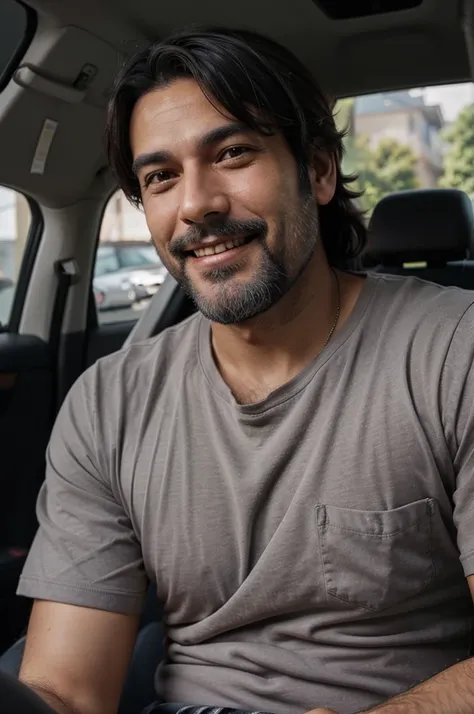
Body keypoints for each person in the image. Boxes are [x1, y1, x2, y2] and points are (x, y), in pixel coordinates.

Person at [13, 25, 474, 714]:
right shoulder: (108, 404)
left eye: (231, 153)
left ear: (317, 171)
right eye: (160, 176)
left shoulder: (453, 352)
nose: (196, 203)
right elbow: (68, 690)